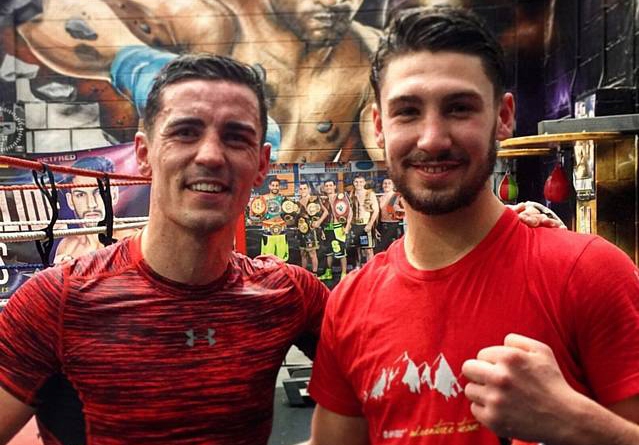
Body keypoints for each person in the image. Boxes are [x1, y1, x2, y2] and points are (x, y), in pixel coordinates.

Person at [307, 6, 639, 445]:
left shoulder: (591, 273)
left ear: (503, 117)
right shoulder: (350, 303)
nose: (432, 138)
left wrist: (576, 424)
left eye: (459, 108)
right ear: (378, 126)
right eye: (407, 111)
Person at [0, 54, 328, 445]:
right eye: (185, 132)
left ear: (261, 164)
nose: (210, 155)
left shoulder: (290, 295)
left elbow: (384, 394)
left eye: (235, 137)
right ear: (143, 155)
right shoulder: (57, 301)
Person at [53, 156, 138, 264]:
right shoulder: (67, 247)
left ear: (114, 195)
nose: (91, 204)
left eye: (99, 192)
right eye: (80, 195)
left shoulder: (132, 240)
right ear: (70, 201)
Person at [317, 179, 352, 282]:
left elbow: (350, 212)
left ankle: (344, 273)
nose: (328, 187)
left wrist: (347, 226)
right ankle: (328, 273)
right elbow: (320, 215)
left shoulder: (341, 197)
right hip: (327, 227)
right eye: (326, 186)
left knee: (341, 251)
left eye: (330, 185)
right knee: (328, 252)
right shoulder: (322, 200)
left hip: (338, 227)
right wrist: (321, 230)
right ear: (324, 188)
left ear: (334, 186)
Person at [250, 177, 290, 261]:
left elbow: (290, 213)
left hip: (281, 229)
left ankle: (282, 274)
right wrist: (255, 218)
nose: (275, 187)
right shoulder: (262, 199)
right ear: (269, 186)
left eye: (277, 185)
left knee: (282, 256)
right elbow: (253, 212)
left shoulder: (284, 199)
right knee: (267, 256)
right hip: (268, 229)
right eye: (273, 185)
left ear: (279, 187)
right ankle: (269, 274)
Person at [296, 182, 329, 276]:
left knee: (312, 253)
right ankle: (304, 274)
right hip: (301, 230)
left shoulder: (314, 199)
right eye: (301, 189)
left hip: (311, 230)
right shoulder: (298, 202)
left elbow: (326, 212)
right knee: (303, 253)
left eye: (304, 188)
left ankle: (314, 274)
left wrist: (318, 222)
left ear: (309, 189)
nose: (303, 190)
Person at [349, 175, 380, 266]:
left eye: (361, 182)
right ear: (353, 183)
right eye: (356, 182)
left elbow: (376, 210)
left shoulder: (370, 194)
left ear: (364, 183)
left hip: (366, 225)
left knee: (368, 249)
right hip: (354, 225)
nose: (358, 184)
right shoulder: (351, 194)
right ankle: (358, 269)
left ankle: (371, 269)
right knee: (356, 248)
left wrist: (370, 224)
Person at [377, 177, 404, 252]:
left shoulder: (397, 196)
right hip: (382, 225)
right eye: (385, 183)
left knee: (394, 249)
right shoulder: (380, 198)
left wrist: (399, 210)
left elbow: (408, 209)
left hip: (394, 225)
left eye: (389, 183)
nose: (386, 185)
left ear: (393, 185)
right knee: (384, 250)